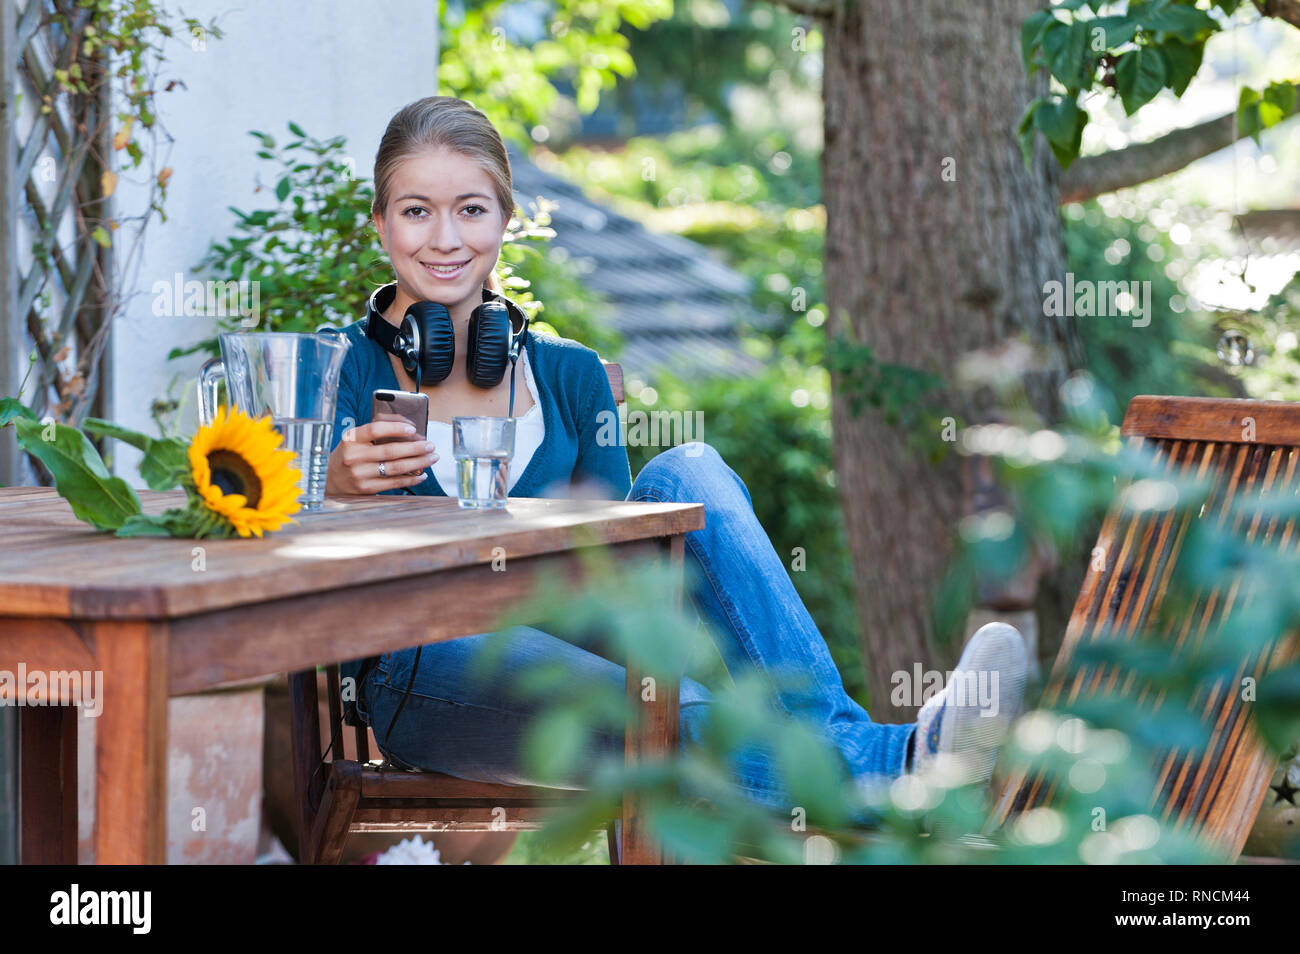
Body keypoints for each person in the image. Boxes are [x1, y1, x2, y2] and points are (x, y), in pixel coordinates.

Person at [319, 95, 1028, 822]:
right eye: (416, 211)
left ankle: (874, 756)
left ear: (504, 219)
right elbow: (273, 538)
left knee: (687, 473)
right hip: (420, 668)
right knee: (663, 708)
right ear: (381, 225)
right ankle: (905, 769)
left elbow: (623, 580)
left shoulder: (570, 376)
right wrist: (333, 486)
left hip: (581, 649)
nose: (445, 237)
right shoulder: (340, 365)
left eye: (470, 209)